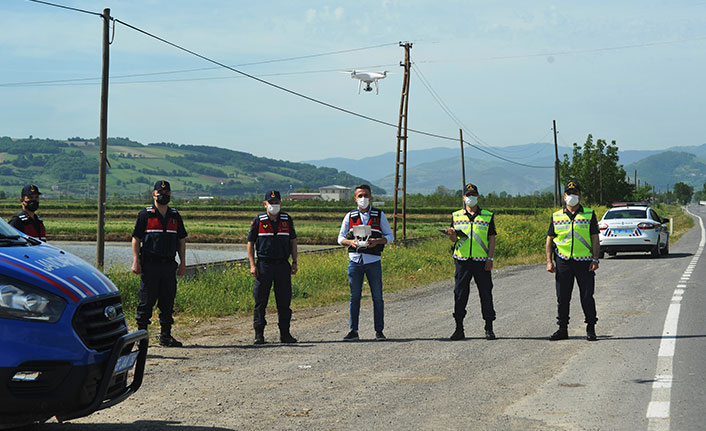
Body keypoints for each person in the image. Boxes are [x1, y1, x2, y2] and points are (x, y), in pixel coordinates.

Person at [131, 180, 187, 347]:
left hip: (169, 265)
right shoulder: (145, 215)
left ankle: (166, 336)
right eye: (160, 192)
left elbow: (181, 240)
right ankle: (142, 338)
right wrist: (135, 261)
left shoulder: (175, 216)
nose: (163, 195)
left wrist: (183, 262)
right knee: (146, 302)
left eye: (166, 192)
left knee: (167, 301)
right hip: (149, 265)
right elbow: (136, 239)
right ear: (154, 194)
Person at [337, 184, 394, 341]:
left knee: (377, 297)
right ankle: (353, 331)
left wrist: (379, 241)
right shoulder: (350, 216)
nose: (363, 199)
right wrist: (350, 242)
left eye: (365, 195)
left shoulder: (379, 215)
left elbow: (390, 235)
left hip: (373, 260)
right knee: (355, 297)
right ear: (355, 198)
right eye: (360, 196)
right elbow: (340, 238)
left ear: (371, 197)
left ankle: (379, 331)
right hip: (355, 261)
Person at [546, 181, 600, 341]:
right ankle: (562, 329)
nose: (572, 196)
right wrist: (549, 261)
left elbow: (595, 239)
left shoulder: (589, 214)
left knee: (586, 296)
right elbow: (550, 240)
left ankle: (591, 328)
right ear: (564, 196)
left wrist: (596, 259)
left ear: (580, 196)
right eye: (569, 193)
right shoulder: (556, 216)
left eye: (575, 193)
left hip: (585, 262)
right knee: (562, 297)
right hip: (563, 261)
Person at [445, 183, 497, 341]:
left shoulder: (487, 216)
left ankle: (489, 328)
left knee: (485, 294)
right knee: (460, 295)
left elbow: (492, 238)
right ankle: (459, 328)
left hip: (481, 261)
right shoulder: (456, 216)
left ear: (478, 197)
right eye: (468, 195)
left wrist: (490, 258)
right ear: (463, 198)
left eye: (473, 195)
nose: (471, 198)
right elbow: (454, 239)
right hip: (462, 261)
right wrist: (451, 235)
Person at [247, 190, 298, 345]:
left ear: (280, 203)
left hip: (283, 265)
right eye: (271, 203)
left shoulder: (286, 220)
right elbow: (250, 243)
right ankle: (259, 335)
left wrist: (295, 261)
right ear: (265, 204)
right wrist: (252, 265)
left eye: (276, 203)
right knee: (260, 302)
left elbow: (293, 241)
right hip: (264, 266)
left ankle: (285, 334)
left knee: (284, 301)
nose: (274, 205)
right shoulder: (258, 220)